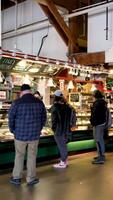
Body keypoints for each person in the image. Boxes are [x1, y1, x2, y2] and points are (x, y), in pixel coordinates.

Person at [8, 84, 47, 186]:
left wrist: (12, 130)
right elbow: (44, 118)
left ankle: (16, 178)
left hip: (20, 135)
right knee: (32, 157)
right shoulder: (39, 102)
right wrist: (39, 128)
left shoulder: (16, 103)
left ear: (21, 92)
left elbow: (11, 118)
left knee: (19, 156)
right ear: (30, 91)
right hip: (34, 135)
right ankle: (30, 179)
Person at [51, 90, 74, 169]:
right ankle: (65, 161)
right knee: (64, 145)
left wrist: (53, 129)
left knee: (61, 146)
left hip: (59, 130)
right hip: (66, 129)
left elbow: (54, 120)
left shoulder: (55, 107)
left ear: (55, 97)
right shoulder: (67, 106)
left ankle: (63, 162)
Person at [90, 90, 107, 164]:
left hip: (97, 124)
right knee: (100, 140)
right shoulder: (103, 102)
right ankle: (101, 155)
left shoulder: (97, 103)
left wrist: (92, 122)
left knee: (98, 140)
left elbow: (95, 114)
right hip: (101, 123)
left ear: (95, 96)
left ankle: (101, 158)